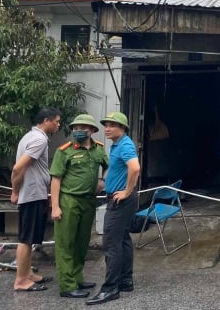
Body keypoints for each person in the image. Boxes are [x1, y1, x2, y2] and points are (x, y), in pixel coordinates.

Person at [50, 114, 109, 298]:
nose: (77, 131)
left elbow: (108, 165)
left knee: (81, 243)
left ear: (92, 131)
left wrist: (102, 180)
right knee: (66, 243)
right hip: (69, 200)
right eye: (75, 128)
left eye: (82, 128)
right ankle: (67, 286)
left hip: (89, 201)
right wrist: (55, 207)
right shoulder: (64, 151)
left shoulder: (98, 149)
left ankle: (77, 278)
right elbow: (56, 179)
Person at [87, 112, 140, 305]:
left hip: (120, 200)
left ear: (123, 128)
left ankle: (110, 288)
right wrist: (104, 181)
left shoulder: (125, 145)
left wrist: (126, 192)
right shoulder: (117, 145)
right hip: (121, 199)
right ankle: (125, 280)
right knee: (123, 239)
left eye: (113, 125)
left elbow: (135, 168)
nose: (108, 128)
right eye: (106, 125)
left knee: (110, 243)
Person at [10, 106, 62, 292]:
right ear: (46, 120)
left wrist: (16, 191)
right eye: (56, 121)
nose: (58, 125)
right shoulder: (39, 139)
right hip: (32, 195)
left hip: (32, 193)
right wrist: (15, 191)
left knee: (30, 238)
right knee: (26, 239)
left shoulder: (29, 136)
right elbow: (18, 168)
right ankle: (21, 280)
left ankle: (28, 273)